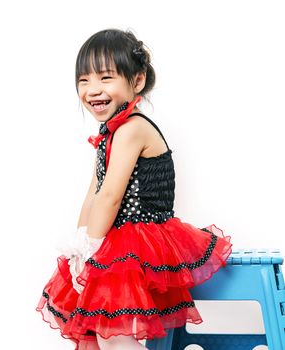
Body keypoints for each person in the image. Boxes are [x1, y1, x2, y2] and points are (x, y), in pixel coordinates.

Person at [36, 28, 233, 350]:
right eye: (83, 80)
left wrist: (91, 249)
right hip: (116, 240)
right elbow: (95, 192)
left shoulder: (132, 128)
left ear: (137, 81)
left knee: (115, 337)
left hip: (141, 240)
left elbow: (112, 197)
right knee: (103, 333)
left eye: (105, 78)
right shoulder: (110, 132)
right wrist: (78, 246)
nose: (92, 89)